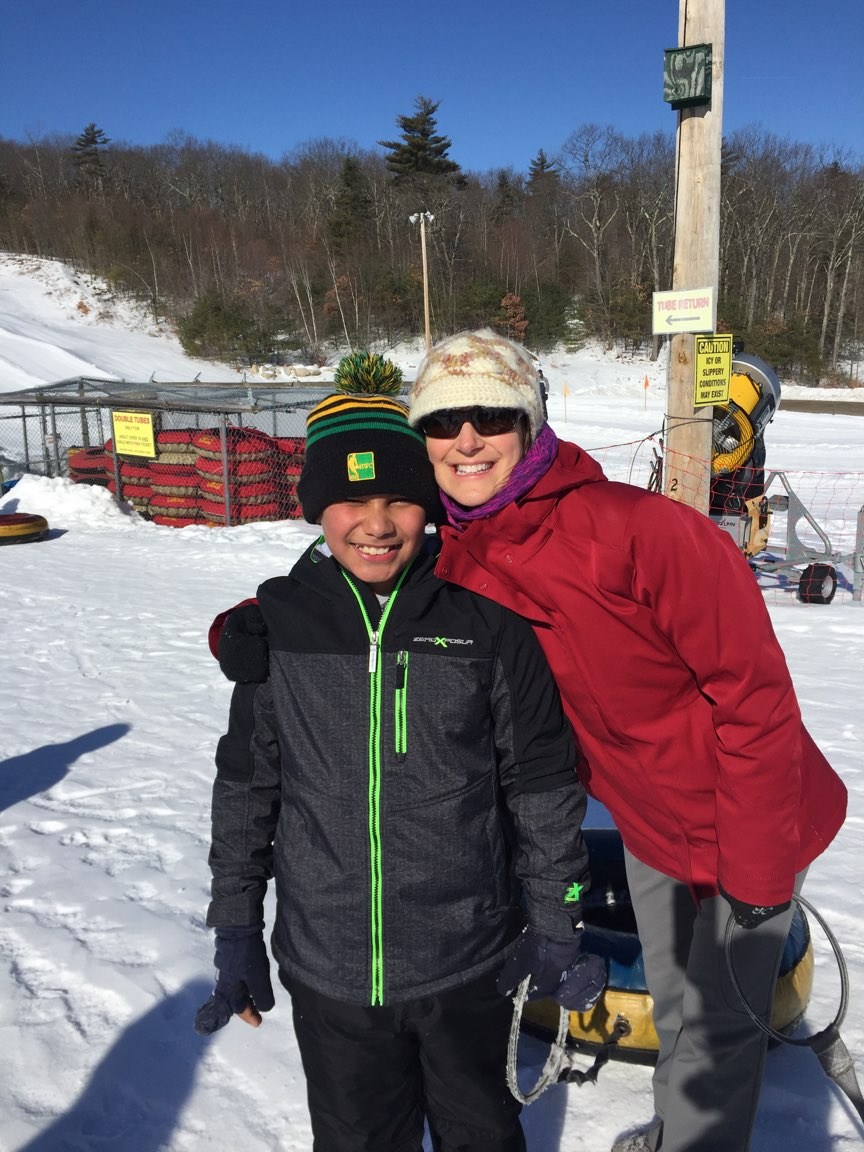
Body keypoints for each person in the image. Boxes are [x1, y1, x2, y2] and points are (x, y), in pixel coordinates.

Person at [403, 329, 847, 1152]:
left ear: (530, 425)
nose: (466, 438)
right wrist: (251, 626)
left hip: (749, 812)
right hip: (648, 822)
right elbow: (361, 593)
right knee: (682, 1004)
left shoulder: (639, 532)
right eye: (442, 420)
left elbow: (753, 700)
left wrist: (751, 874)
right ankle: (681, 1131)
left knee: (721, 1029)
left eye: (490, 415)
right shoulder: (457, 560)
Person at [194, 385, 604, 1152]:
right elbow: (248, 787)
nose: (376, 524)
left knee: (481, 1135)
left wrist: (557, 921)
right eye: (349, 501)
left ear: (430, 506)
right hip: (330, 970)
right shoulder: (279, 627)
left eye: (399, 499)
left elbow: (541, 786)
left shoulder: (484, 621)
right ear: (317, 509)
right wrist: (235, 924)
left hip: (467, 963)